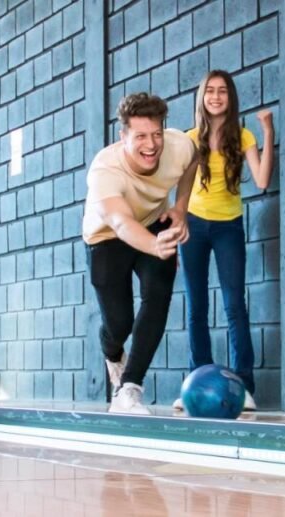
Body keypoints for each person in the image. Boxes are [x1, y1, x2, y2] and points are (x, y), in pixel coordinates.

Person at [83, 92, 199, 415]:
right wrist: (154, 246)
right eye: (141, 137)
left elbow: (194, 161)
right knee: (119, 323)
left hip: (152, 223)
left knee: (159, 293)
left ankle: (129, 388)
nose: (152, 145)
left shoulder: (177, 146)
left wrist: (180, 208)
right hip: (106, 237)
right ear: (123, 137)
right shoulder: (105, 170)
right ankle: (111, 351)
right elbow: (120, 223)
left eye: (157, 134)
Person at [174, 70, 274, 412]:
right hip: (193, 227)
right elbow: (176, 191)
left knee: (234, 306)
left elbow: (261, 180)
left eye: (222, 92)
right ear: (202, 97)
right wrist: (173, 231)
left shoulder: (242, 136)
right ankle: (196, 383)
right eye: (210, 91)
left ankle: (244, 385)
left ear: (230, 98)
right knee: (197, 308)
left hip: (228, 226)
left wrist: (267, 132)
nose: (215, 96)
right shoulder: (188, 140)